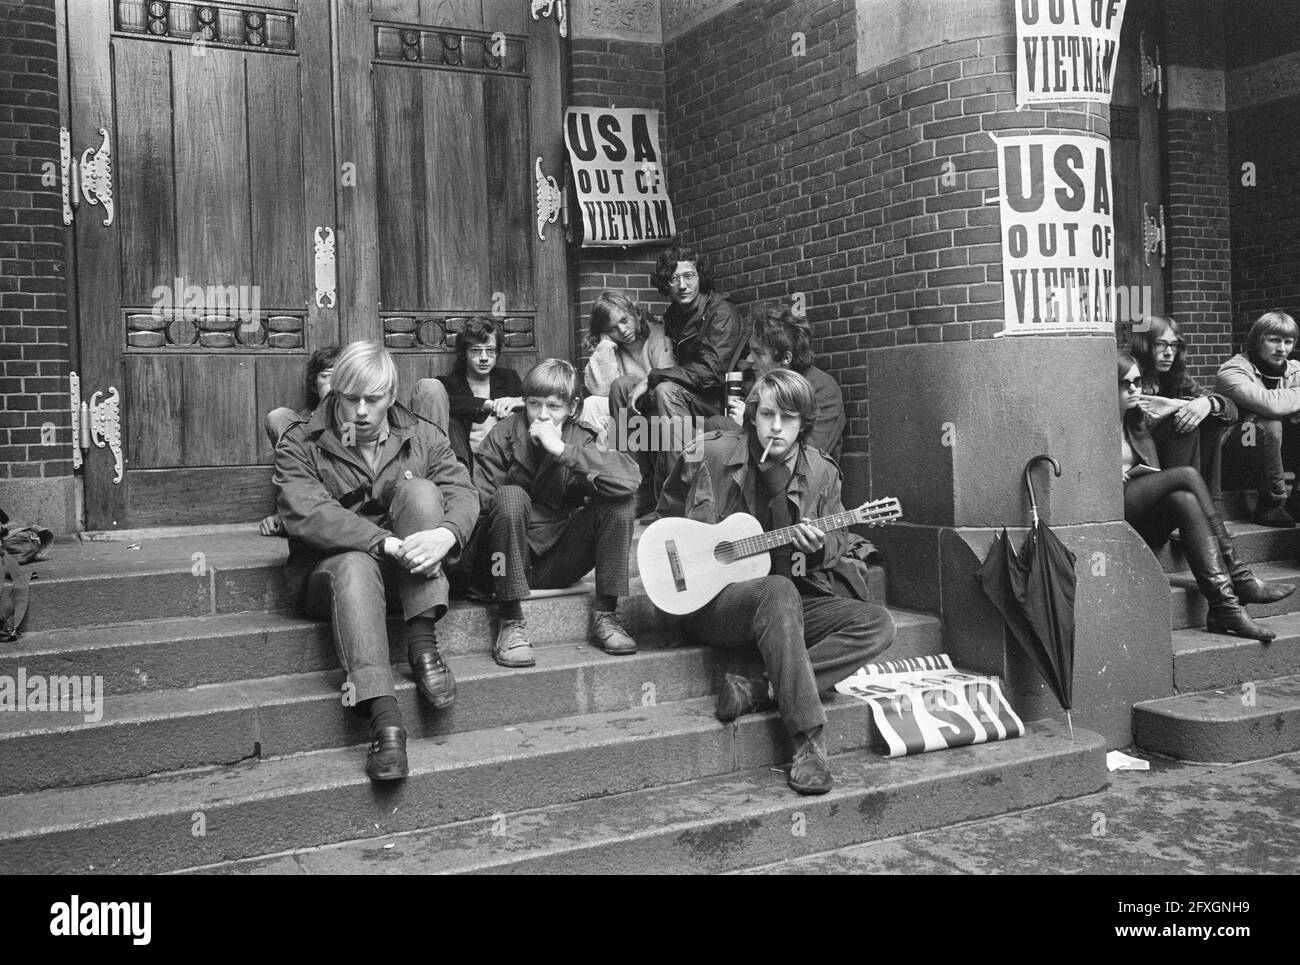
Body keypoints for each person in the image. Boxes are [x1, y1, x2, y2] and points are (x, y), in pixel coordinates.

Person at [655, 369, 896, 795]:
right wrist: (692, 551)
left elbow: (837, 543)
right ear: (752, 415)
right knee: (777, 590)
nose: (776, 427)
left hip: (790, 601)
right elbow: (665, 515)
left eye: (788, 417)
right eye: (767, 414)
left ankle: (757, 688)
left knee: (878, 624)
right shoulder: (710, 453)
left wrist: (817, 547)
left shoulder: (821, 473)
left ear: (804, 422)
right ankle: (808, 744)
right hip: (714, 603)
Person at [274, 341, 480, 781]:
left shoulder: (421, 433)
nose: (361, 411)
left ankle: (423, 648)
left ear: (391, 395)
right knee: (355, 564)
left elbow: (462, 491)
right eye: (350, 399)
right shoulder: (302, 441)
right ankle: (385, 720)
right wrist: (380, 540)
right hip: (329, 576)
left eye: (373, 400)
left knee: (423, 492)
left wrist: (448, 533)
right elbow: (307, 512)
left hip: (402, 572)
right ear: (335, 394)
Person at [472, 358, 641, 667]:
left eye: (553, 406)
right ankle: (510, 621)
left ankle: (606, 614)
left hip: (558, 560)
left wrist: (563, 451)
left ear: (573, 407)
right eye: (534, 404)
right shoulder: (502, 435)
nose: (542, 415)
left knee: (618, 501)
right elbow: (480, 513)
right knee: (510, 496)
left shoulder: (582, 437)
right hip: (504, 561)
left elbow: (629, 481)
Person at [1119, 351, 1292, 642]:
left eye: (1137, 381)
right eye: (1126, 384)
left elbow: (1228, 411)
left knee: (1184, 500)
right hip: (1114, 513)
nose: (1135, 389)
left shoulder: (1140, 418)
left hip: (1144, 519)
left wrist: (1179, 404)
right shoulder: (1090, 427)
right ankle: (1240, 576)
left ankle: (1223, 607)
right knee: (1186, 475)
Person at [607, 242, 747, 516]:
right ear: (666, 284)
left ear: (700, 278)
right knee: (621, 387)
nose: (682, 285)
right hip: (685, 394)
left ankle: (676, 502)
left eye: (689, 276)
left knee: (665, 391)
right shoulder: (674, 314)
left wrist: (653, 378)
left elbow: (711, 373)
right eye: (674, 278)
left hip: (715, 401)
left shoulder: (721, 313)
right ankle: (640, 489)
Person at [707, 305, 846, 462]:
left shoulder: (823, 389)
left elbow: (808, 462)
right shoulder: (763, 383)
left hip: (795, 481)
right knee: (707, 427)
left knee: (718, 425)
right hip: (759, 472)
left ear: (786, 358)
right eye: (751, 351)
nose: (749, 360)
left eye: (758, 353)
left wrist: (748, 424)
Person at [1128, 316, 1236, 507]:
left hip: (1177, 460)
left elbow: (1232, 412)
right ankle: (1184, 506)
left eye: (1174, 345)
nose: (1169, 353)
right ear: (1144, 345)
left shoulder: (1177, 378)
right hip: (1140, 464)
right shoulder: (1130, 374)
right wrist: (1182, 407)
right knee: (1184, 421)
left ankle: (1209, 506)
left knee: (1208, 417)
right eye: (1161, 344)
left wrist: (1207, 403)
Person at [1216, 311, 1300, 527]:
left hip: (1277, 451)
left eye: (1288, 341)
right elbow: (1269, 404)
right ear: (1256, 340)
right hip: (1240, 448)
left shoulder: (1295, 371)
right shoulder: (1232, 371)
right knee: (1265, 423)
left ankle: (1297, 497)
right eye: (1274, 340)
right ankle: (1271, 504)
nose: (1282, 348)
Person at [410, 318, 524, 467]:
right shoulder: (449, 383)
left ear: (497, 353)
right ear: (464, 353)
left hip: (505, 461)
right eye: (476, 351)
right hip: (465, 462)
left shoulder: (509, 378)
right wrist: (486, 404)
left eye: (490, 351)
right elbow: (452, 403)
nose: (484, 358)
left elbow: (541, 402)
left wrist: (518, 401)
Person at [260, 344, 340, 536]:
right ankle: (293, 513)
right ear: (314, 385)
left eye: (342, 376)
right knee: (279, 416)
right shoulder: (301, 426)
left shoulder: (360, 419)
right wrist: (281, 513)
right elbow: (295, 473)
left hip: (344, 499)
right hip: (308, 496)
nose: (335, 384)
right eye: (327, 376)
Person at [579, 290, 675, 445]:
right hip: (622, 405)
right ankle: (592, 464)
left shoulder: (657, 334)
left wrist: (641, 388)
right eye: (612, 329)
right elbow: (602, 391)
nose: (622, 331)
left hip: (652, 400)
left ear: (635, 313)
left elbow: (668, 375)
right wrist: (605, 344)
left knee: (624, 384)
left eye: (624, 320)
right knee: (591, 405)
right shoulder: (612, 346)